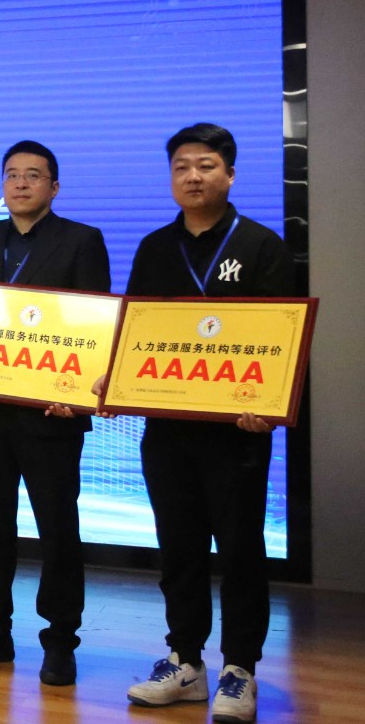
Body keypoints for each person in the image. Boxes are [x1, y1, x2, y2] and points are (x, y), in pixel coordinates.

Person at [115, 123, 294, 724]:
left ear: (231, 174)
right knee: (179, 548)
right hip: (168, 429)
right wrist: (117, 382)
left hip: (236, 432)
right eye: (182, 167)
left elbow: (282, 338)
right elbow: (136, 329)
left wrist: (268, 404)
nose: (193, 177)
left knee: (240, 549)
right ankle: (185, 661)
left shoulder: (262, 246)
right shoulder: (153, 248)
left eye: (206, 166)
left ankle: (239, 667)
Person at [0, 141, 109, 688]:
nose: (21, 184)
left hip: (51, 413)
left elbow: (94, 322)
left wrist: (79, 393)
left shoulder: (81, 240)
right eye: (12, 175)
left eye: (34, 175)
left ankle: (60, 641)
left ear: (54, 187)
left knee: (57, 530)